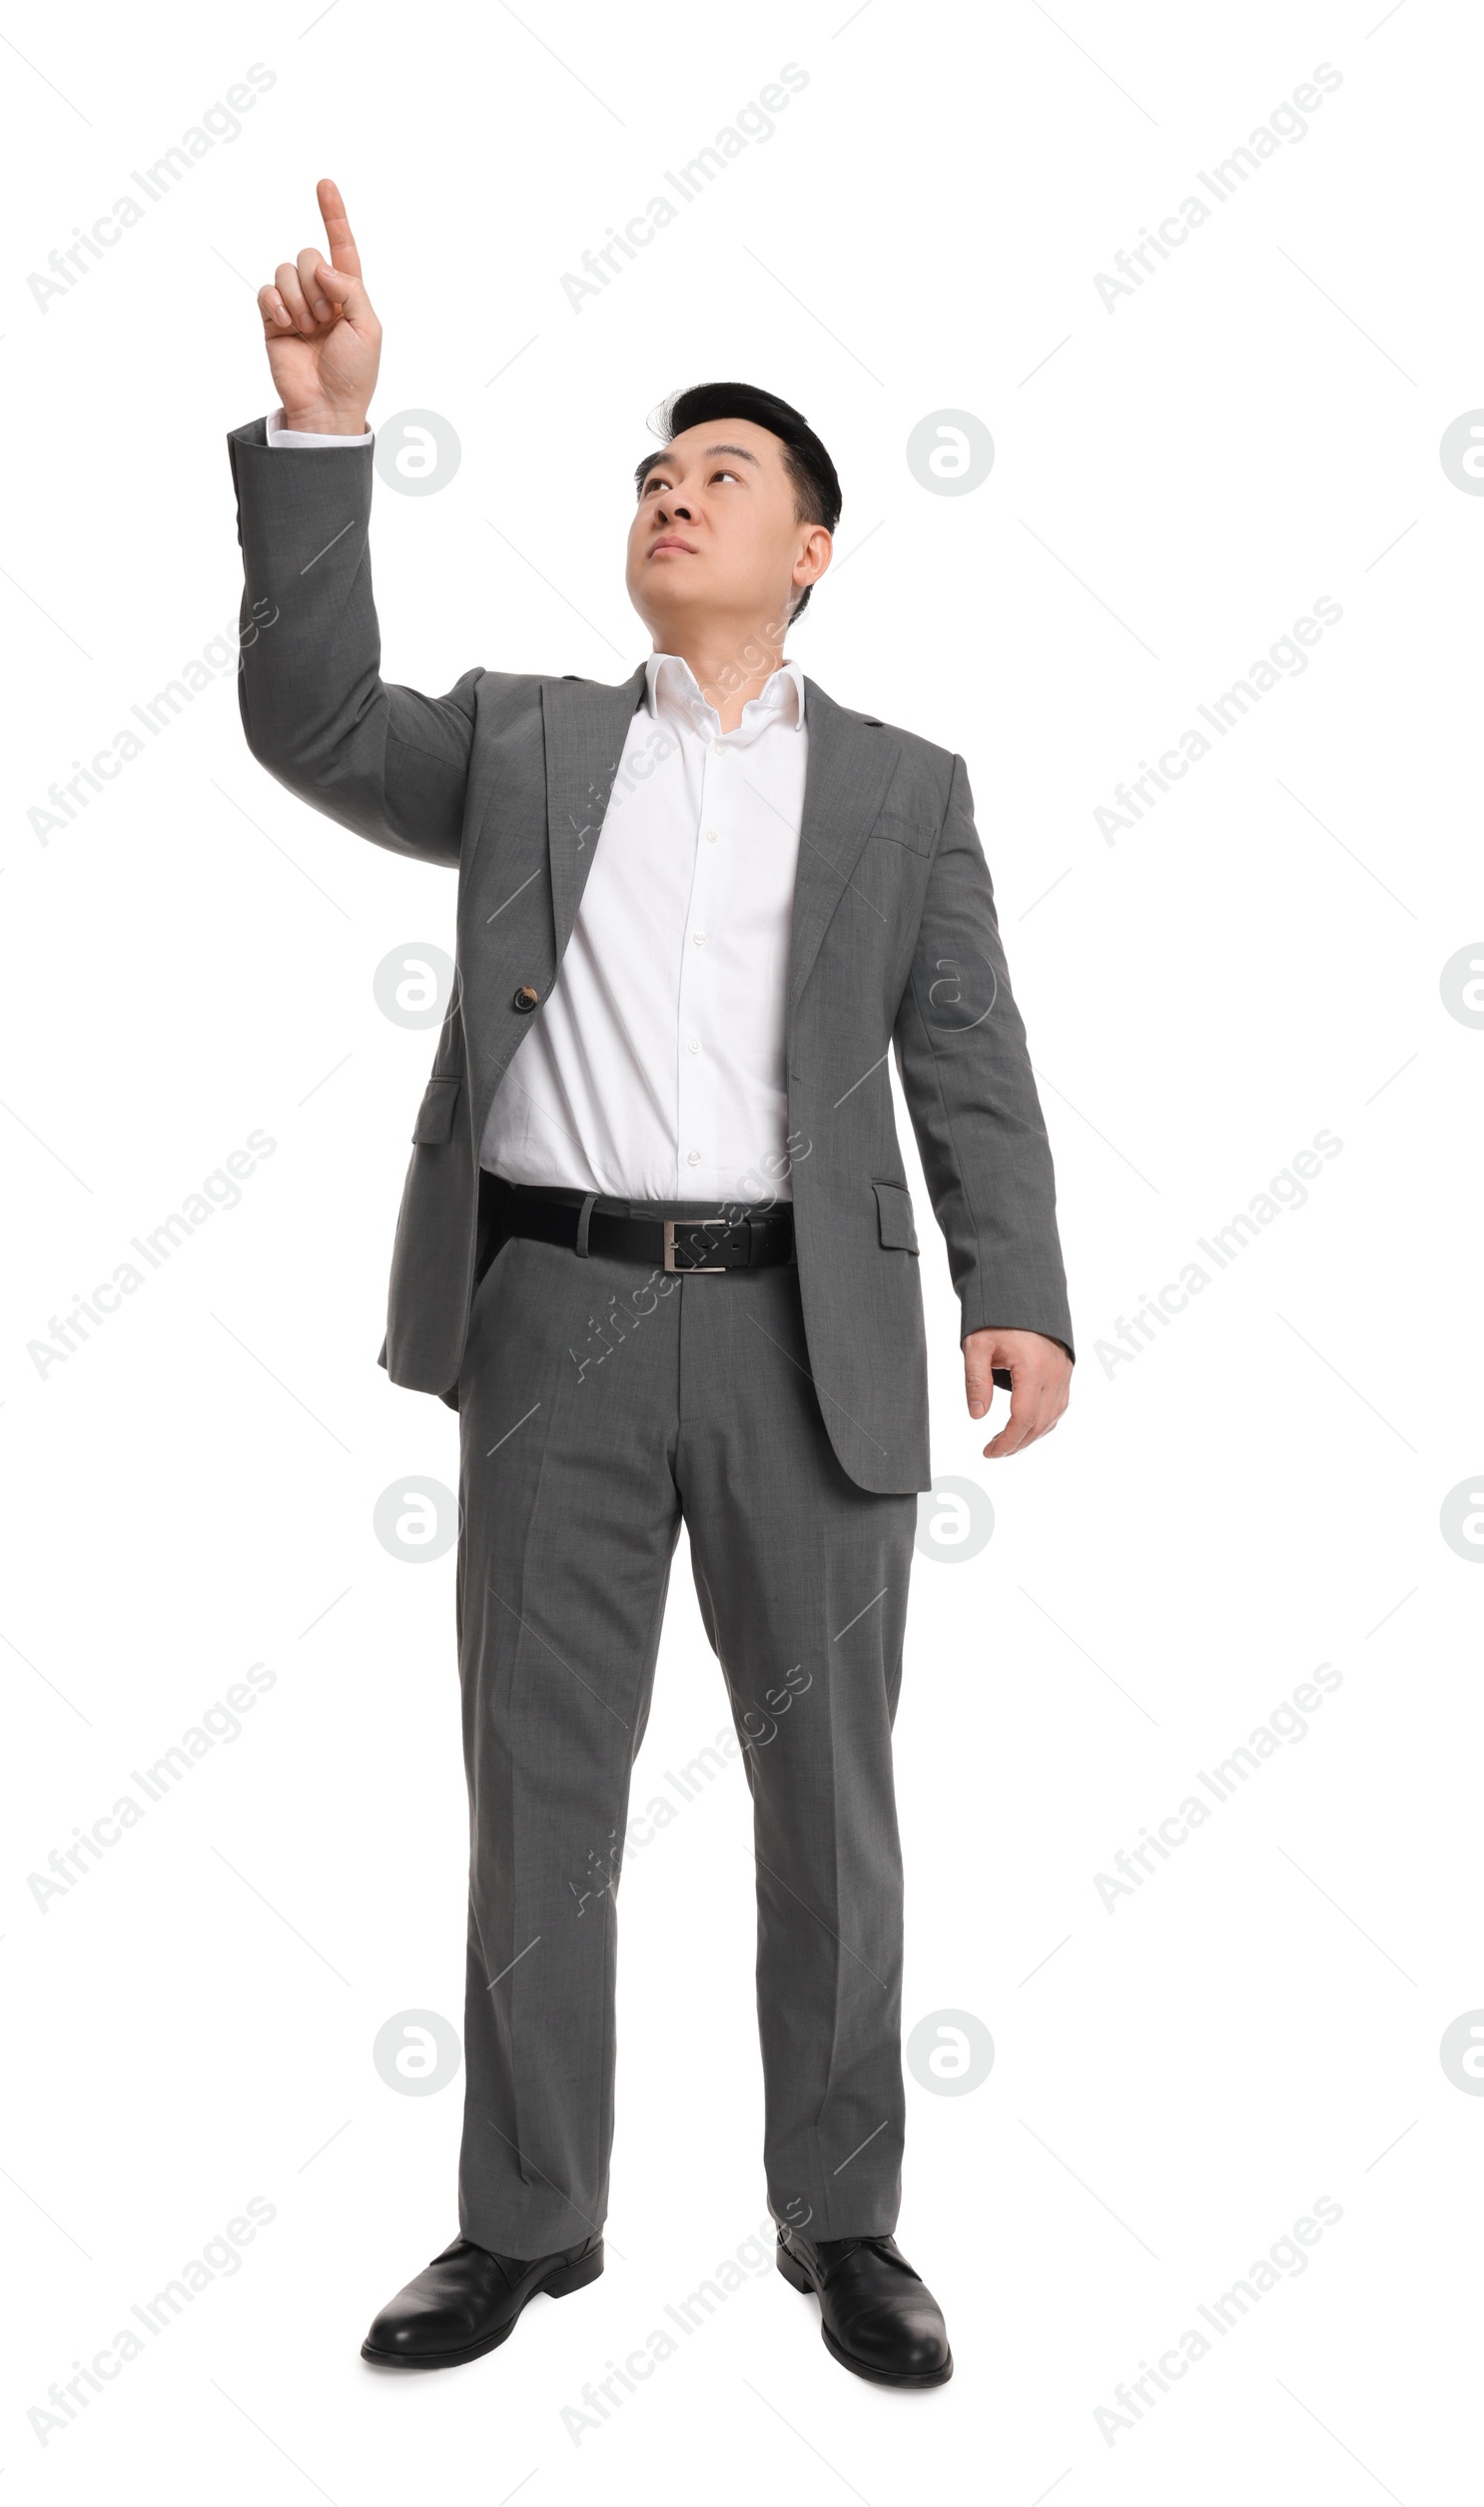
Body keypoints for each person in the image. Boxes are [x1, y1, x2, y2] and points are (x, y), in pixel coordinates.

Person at [229, 179, 1074, 2390]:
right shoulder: (526, 743)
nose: (668, 494)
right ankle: (522, 2220)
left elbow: (963, 1050)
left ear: (808, 549)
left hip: (813, 1342)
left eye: (718, 476)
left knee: (833, 1809)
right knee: (538, 1785)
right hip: (552, 1330)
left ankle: (843, 2219)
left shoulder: (901, 791)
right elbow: (312, 730)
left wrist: (1022, 1285)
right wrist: (325, 435)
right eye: (649, 474)